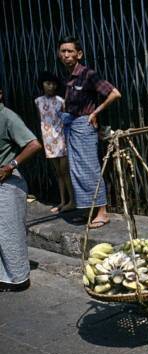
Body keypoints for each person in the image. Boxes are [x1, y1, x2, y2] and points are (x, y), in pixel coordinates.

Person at [57, 36, 121, 228]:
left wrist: (95, 112)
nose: (66, 55)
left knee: (89, 169)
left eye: (70, 51)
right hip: (71, 125)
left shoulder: (88, 74)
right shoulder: (68, 76)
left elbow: (114, 93)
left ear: (79, 54)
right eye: (63, 51)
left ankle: (102, 212)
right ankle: (89, 211)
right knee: (76, 170)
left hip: (84, 127)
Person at [0, 95, 43, 291]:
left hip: (8, 182)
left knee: (10, 232)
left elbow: (34, 144)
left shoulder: (8, 117)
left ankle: (18, 279)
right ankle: (4, 277)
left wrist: (10, 166)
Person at [34, 71, 74, 213]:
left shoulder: (60, 101)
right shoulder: (38, 101)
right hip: (48, 139)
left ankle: (72, 200)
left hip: (61, 138)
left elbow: (66, 120)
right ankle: (63, 201)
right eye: (47, 83)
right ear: (42, 85)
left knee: (65, 171)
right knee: (58, 173)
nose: (50, 86)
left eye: (53, 84)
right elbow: (41, 120)